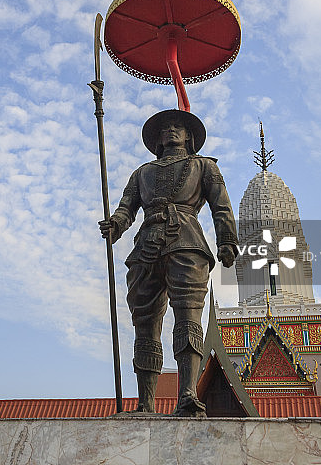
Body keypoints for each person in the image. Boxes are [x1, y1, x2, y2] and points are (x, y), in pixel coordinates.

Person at [99, 108, 238, 416]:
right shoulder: (142, 173)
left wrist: (227, 240)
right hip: (146, 246)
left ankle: (187, 393)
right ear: (158, 139)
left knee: (187, 315)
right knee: (145, 324)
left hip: (186, 240)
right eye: (165, 128)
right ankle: (145, 403)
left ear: (189, 135)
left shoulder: (203, 166)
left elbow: (221, 206)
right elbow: (126, 209)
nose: (171, 130)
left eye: (178, 126)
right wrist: (116, 225)